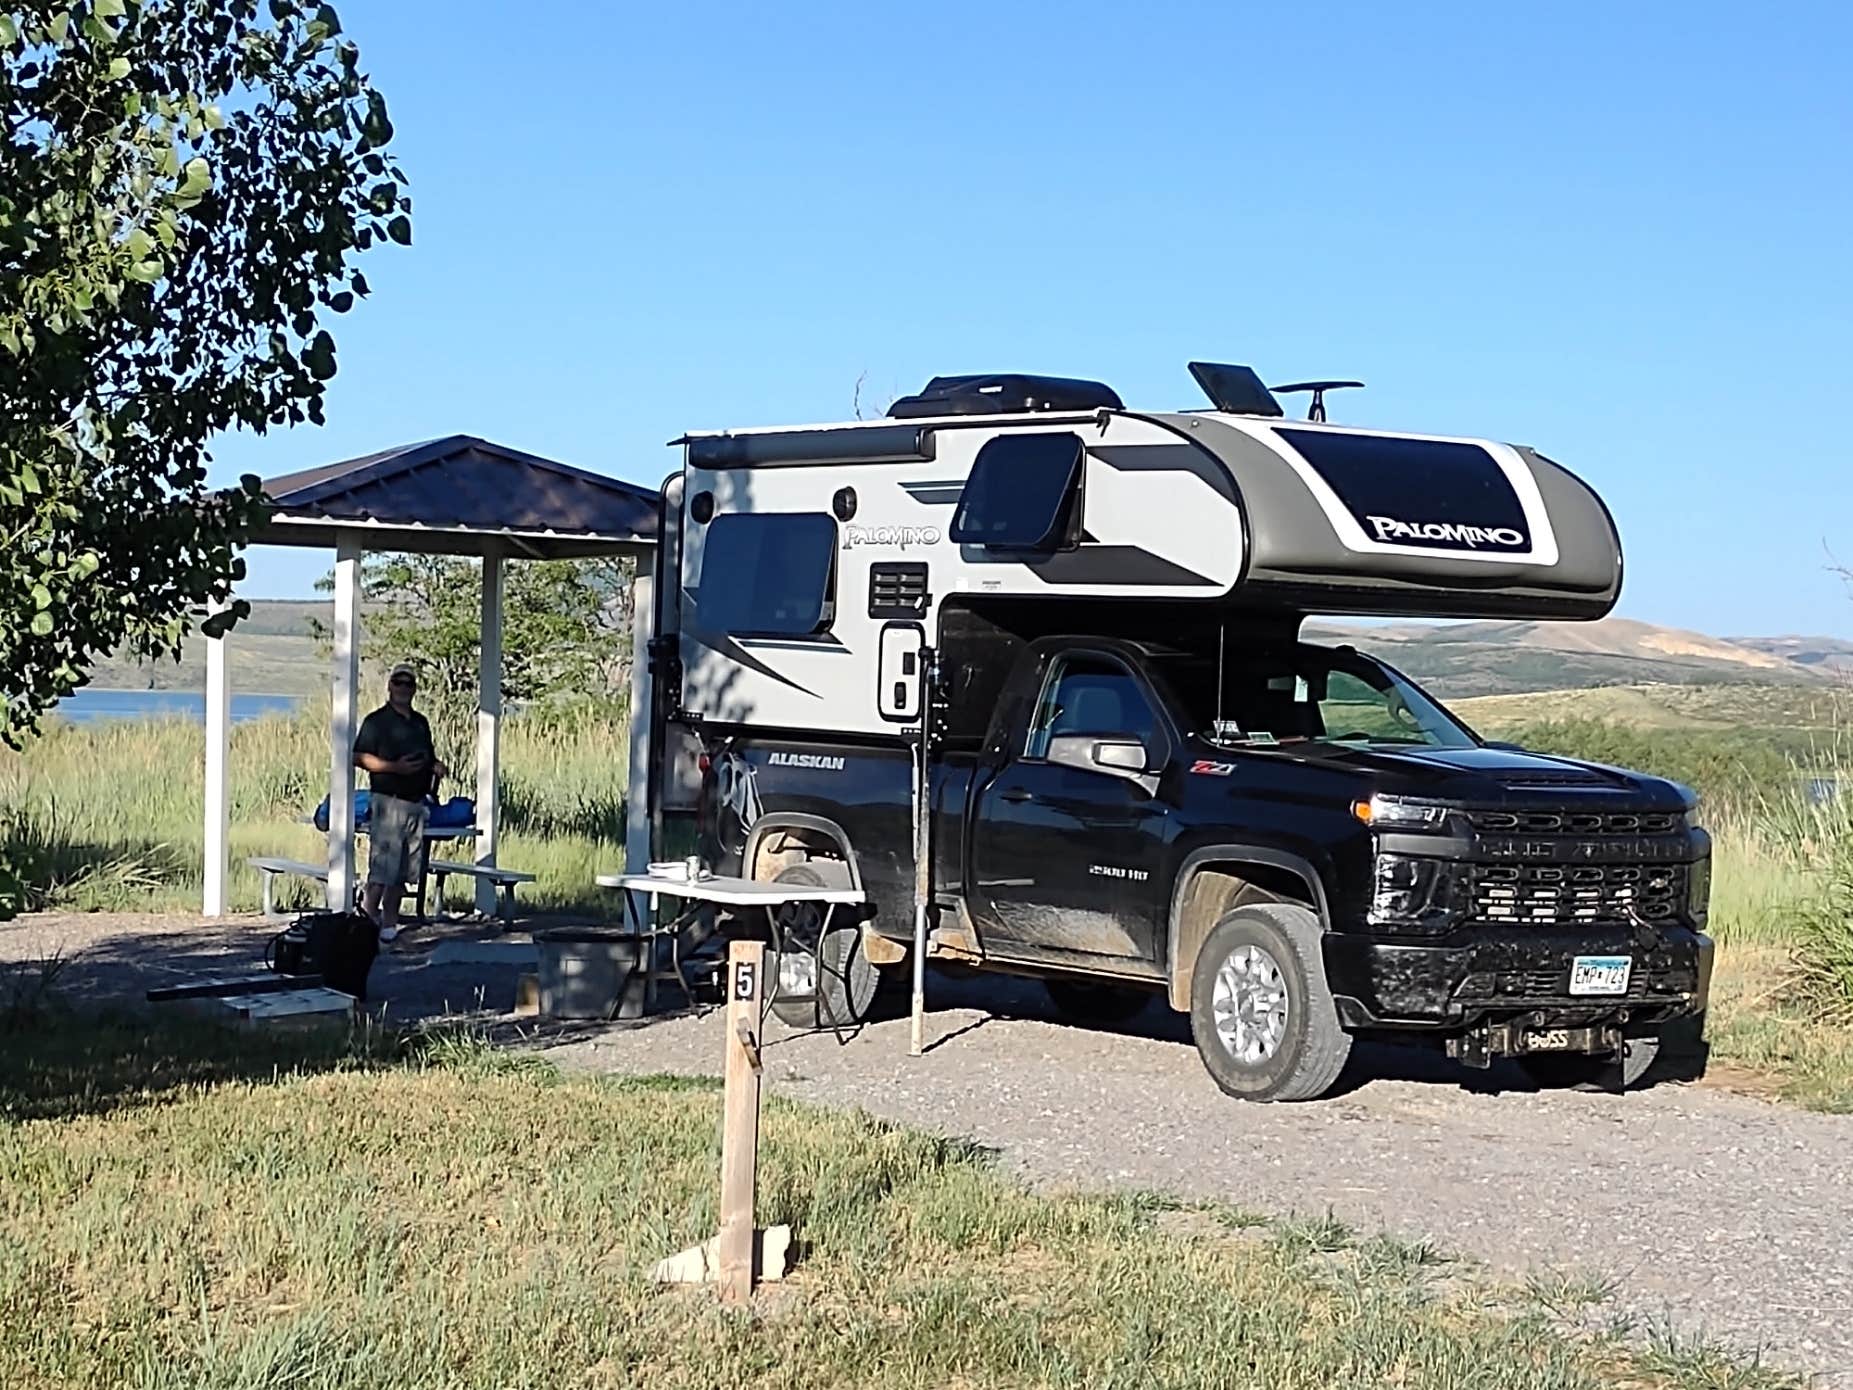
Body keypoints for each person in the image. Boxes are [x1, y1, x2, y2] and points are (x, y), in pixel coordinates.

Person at [353, 663, 447, 942]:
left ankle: (390, 924)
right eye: (399, 682)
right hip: (388, 801)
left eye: (409, 683)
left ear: (414, 689)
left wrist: (435, 766)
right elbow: (359, 757)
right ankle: (367, 921)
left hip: (416, 804)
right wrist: (394, 768)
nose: (403, 688)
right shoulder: (376, 722)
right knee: (383, 869)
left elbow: (427, 755)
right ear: (389, 685)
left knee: (404, 870)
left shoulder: (420, 723)